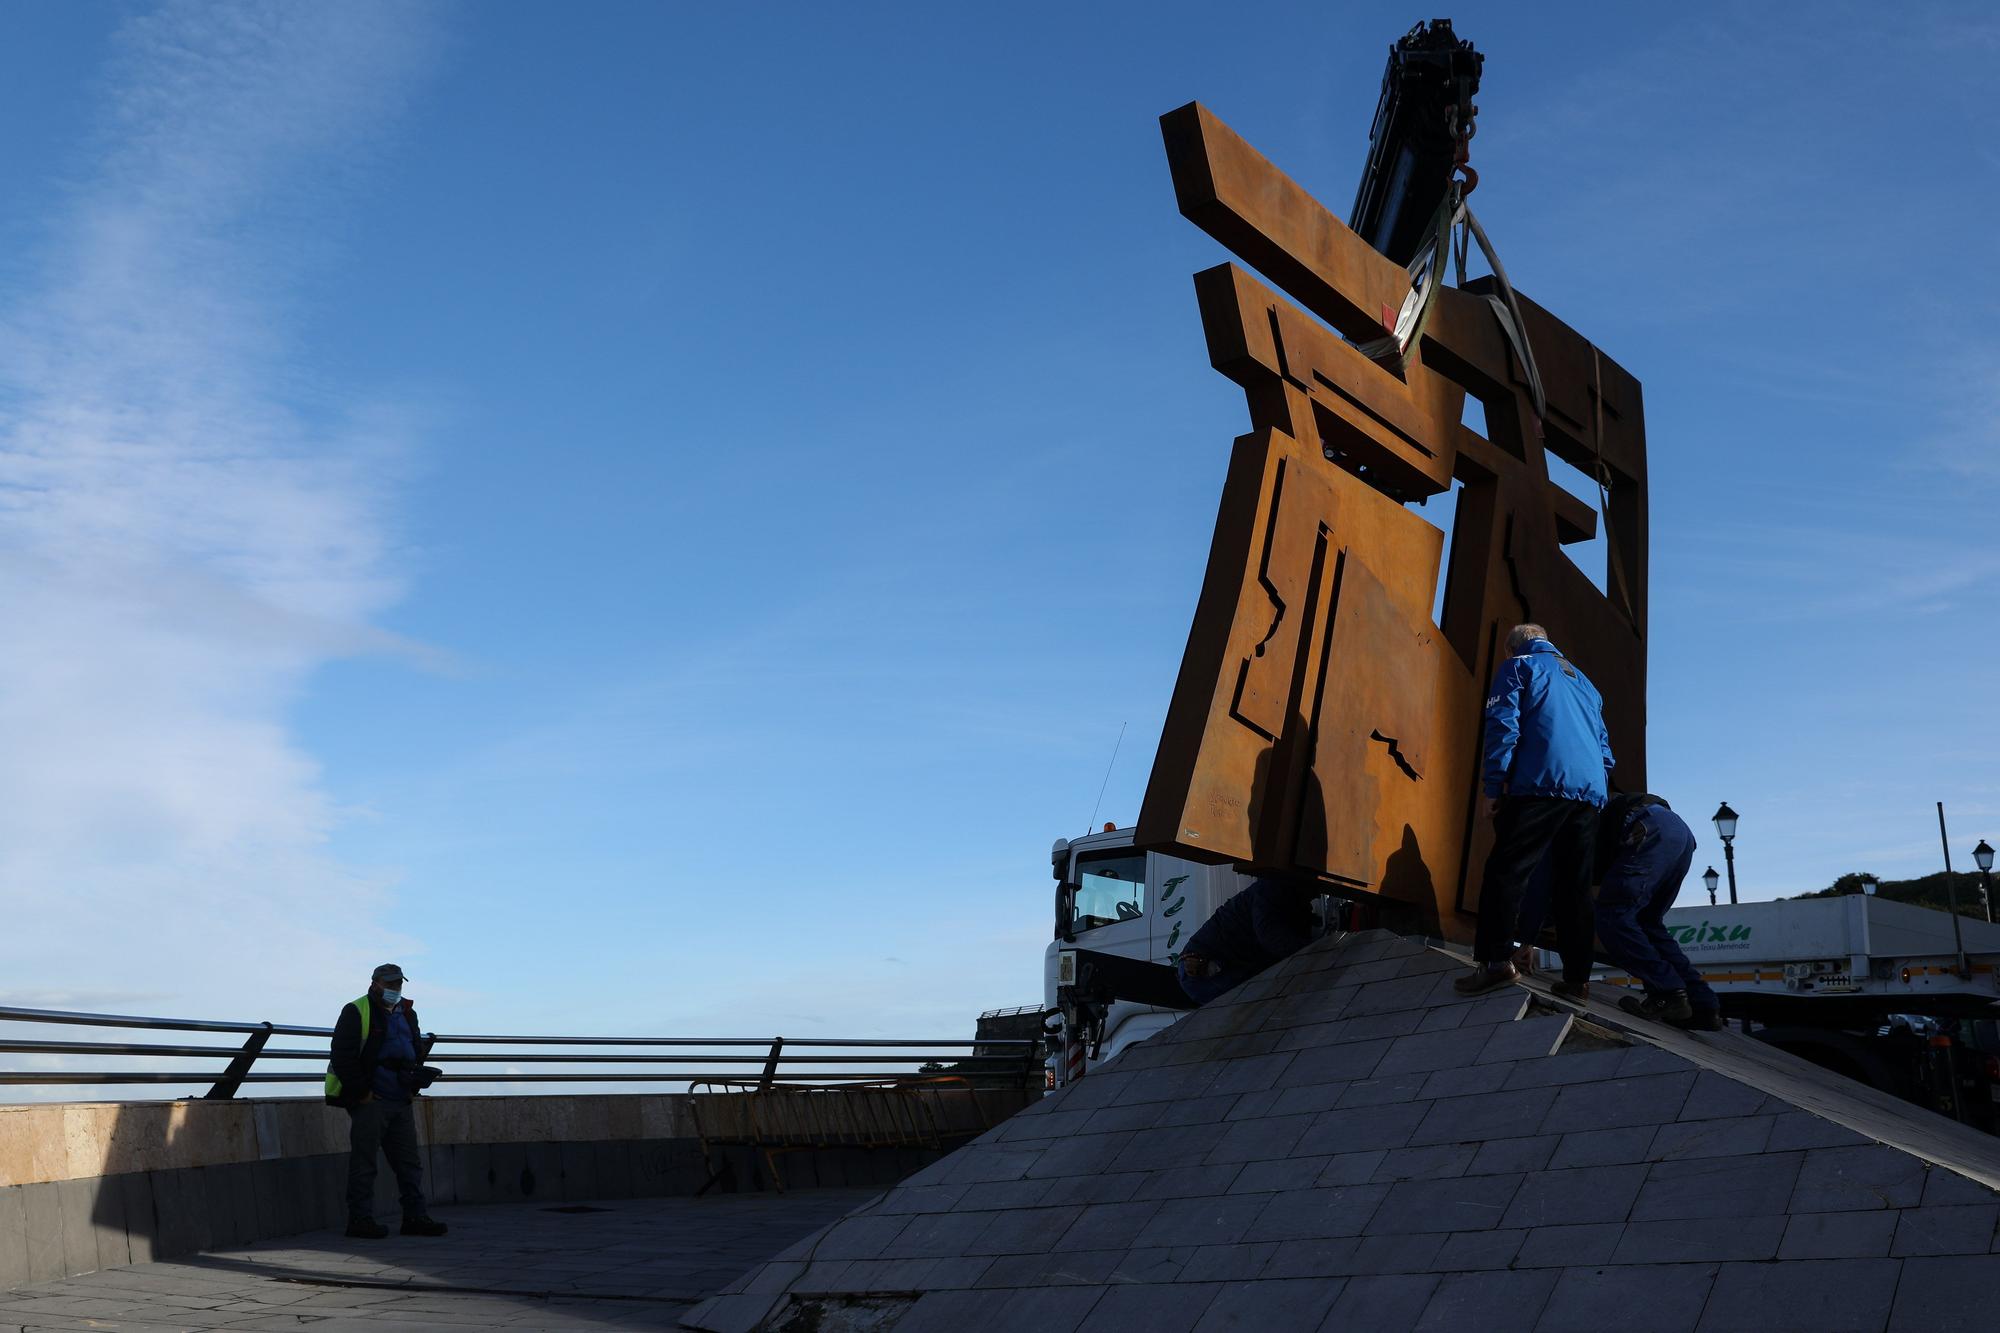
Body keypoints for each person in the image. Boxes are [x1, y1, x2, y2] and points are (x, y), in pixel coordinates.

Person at [1455, 624, 1613, 998]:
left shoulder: (1519, 667)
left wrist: (1493, 786)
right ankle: (1577, 980)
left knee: (1506, 871)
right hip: (1588, 793)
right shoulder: (1587, 684)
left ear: (1512, 647)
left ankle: (1495, 963)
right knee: (1574, 887)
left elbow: (1503, 726)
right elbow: (1605, 748)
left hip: (1540, 784)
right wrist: (1595, 784)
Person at [325, 964, 448, 1239]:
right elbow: (342, 1056)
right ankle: (360, 1219)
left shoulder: (407, 1012)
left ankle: (415, 1217)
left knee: (409, 1163)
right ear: (375, 983)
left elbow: (414, 1050)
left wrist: (414, 1081)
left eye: (397, 984)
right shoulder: (356, 1010)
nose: (394, 989)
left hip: (400, 1098)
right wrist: (363, 1093)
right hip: (372, 1100)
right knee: (365, 1162)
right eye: (388, 983)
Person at [1596, 794, 1723, 1030]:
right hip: (1679, 832)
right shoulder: (1598, 789)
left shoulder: (1576, 810)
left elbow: (1590, 867)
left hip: (1649, 828)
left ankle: (1668, 993)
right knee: (1648, 921)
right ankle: (1703, 1006)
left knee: (1613, 915)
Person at [1175, 878, 1318, 1006]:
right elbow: (1275, 940)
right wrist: (1316, 950)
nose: (1314, 897)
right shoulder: (1269, 895)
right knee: (1247, 996)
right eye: (1314, 894)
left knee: (1249, 994)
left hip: (1210, 958)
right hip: (1200, 966)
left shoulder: (1279, 898)